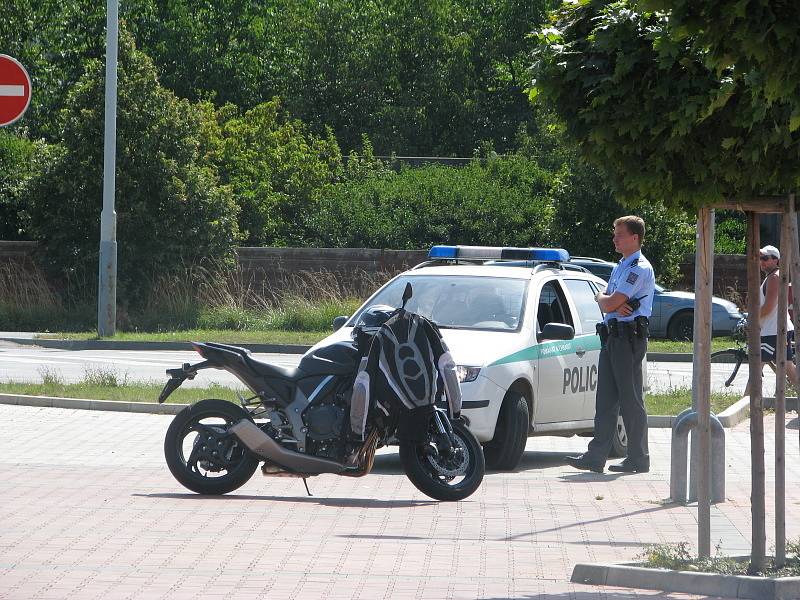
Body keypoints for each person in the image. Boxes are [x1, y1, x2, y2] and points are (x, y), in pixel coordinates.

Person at [567, 215, 655, 474]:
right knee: (605, 399)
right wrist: (604, 298)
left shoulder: (639, 267)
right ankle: (596, 457)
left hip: (628, 338)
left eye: (620, 234)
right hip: (613, 336)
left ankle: (639, 458)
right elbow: (606, 300)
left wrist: (605, 299)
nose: (614, 239)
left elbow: (608, 302)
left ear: (634, 238)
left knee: (630, 399)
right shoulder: (622, 265)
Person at [756, 245, 797, 389]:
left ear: (776, 260)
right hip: (776, 328)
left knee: (756, 367)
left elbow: (768, 307)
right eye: (761, 258)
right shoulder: (772, 277)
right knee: (788, 367)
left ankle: (747, 404)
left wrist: (752, 319)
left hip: (772, 331)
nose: (762, 261)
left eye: (766, 258)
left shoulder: (774, 278)